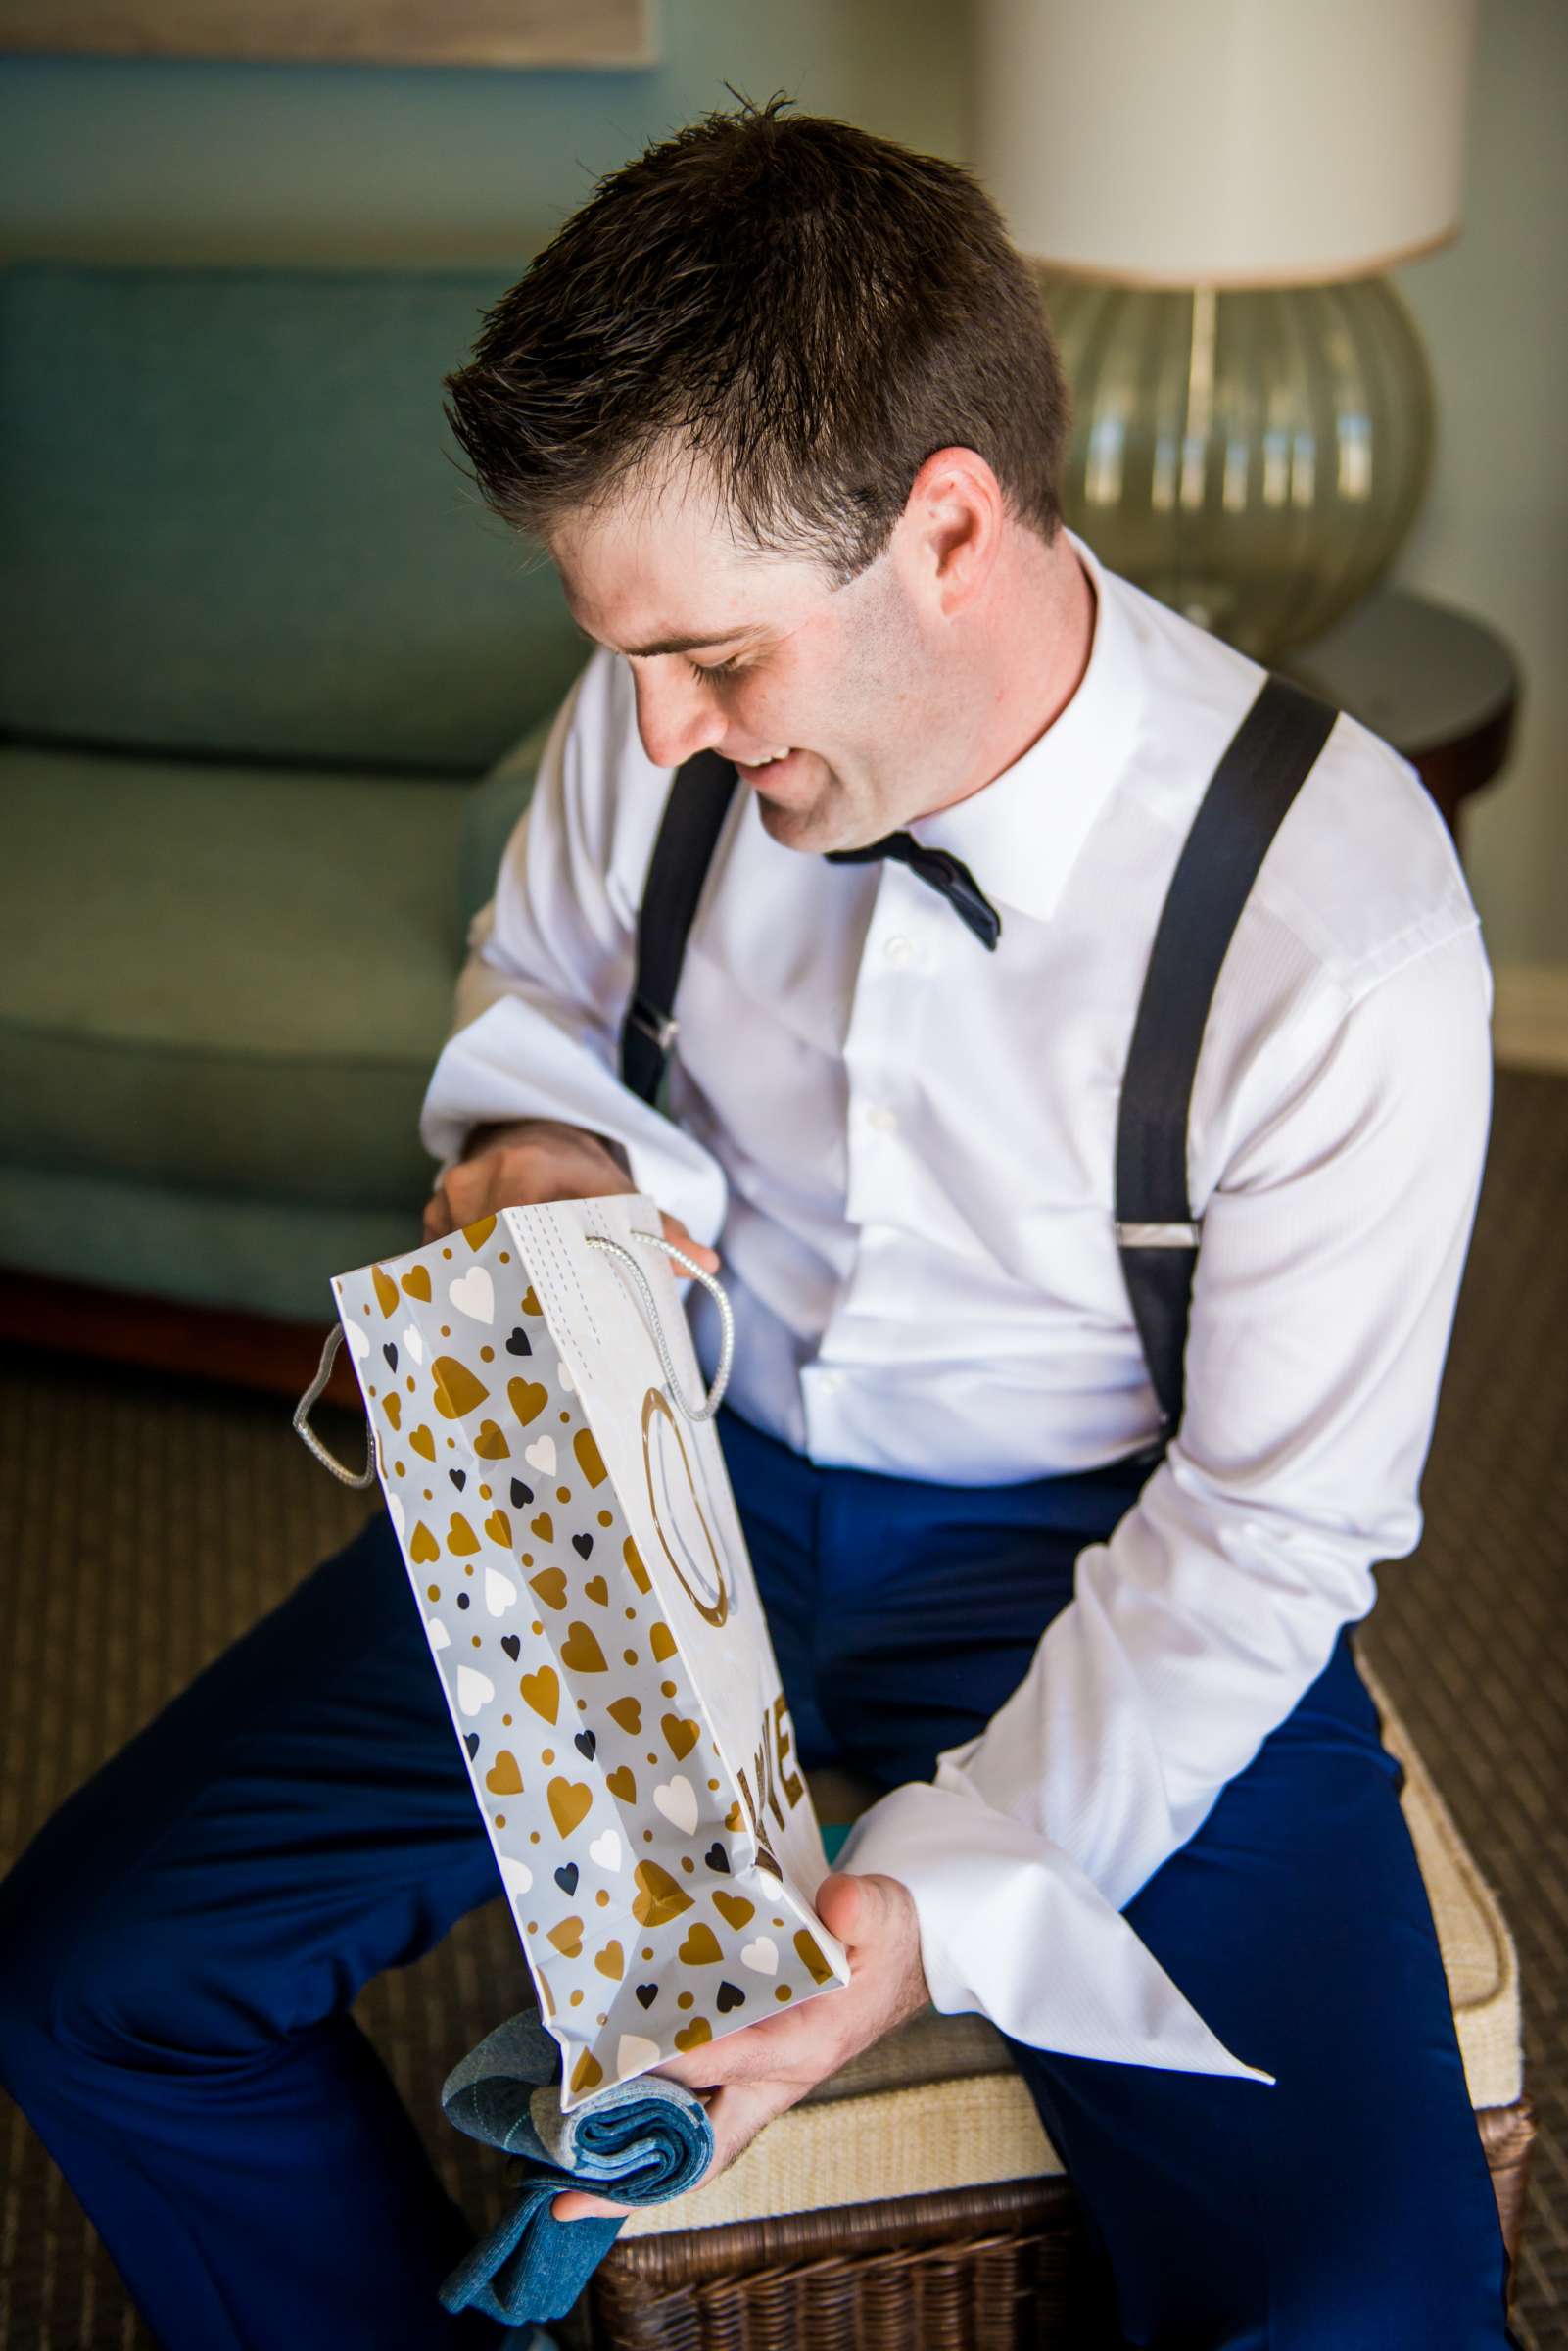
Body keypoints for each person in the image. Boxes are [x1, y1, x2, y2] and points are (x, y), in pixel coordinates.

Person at [0, 95, 1514, 2351]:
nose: (654, 732)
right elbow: (534, 995)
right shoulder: (654, 713)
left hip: (1093, 1552)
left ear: (952, 529)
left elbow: (1277, 1536)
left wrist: (913, 1922)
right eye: (627, 659)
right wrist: (549, 1154)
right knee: (95, 1978)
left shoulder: (1345, 917)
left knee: (1366, 2306)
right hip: (653, 1470)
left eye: (716, 663)